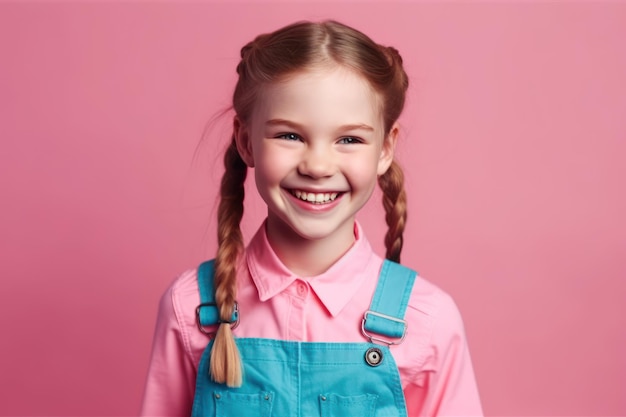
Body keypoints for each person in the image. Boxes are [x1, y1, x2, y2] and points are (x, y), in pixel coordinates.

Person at [140, 20, 483, 417]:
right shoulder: (191, 308)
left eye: (349, 139)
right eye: (290, 135)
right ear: (246, 141)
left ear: (385, 148)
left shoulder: (427, 320)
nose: (318, 166)